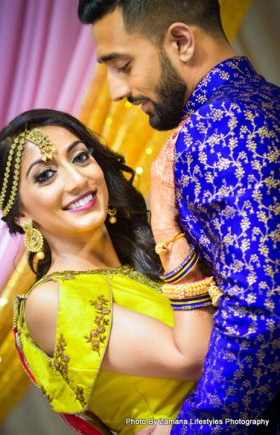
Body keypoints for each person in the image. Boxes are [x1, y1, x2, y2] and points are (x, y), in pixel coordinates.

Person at [78, 1, 280, 434]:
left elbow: (262, 303)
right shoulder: (266, 99)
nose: (116, 91)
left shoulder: (219, 125)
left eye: (123, 65)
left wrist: (195, 428)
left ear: (181, 41)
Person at [0, 109, 220, 434]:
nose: (78, 179)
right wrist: (167, 226)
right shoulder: (51, 300)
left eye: (80, 157)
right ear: (21, 214)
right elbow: (195, 357)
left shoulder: (144, 255)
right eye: (45, 175)